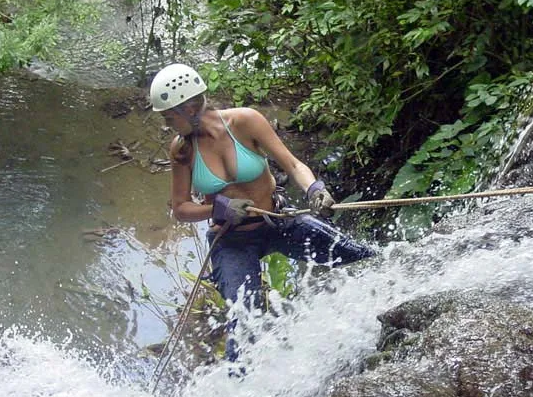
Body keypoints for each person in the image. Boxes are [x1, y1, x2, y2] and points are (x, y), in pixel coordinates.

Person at [150, 63, 375, 361]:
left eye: (168, 117)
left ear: (190, 108)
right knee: (244, 324)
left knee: (357, 255)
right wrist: (218, 207)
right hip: (231, 241)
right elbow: (180, 209)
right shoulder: (182, 149)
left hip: (277, 221)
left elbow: (293, 165)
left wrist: (315, 190)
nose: (166, 124)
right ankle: (240, 392)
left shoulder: (245, 121)